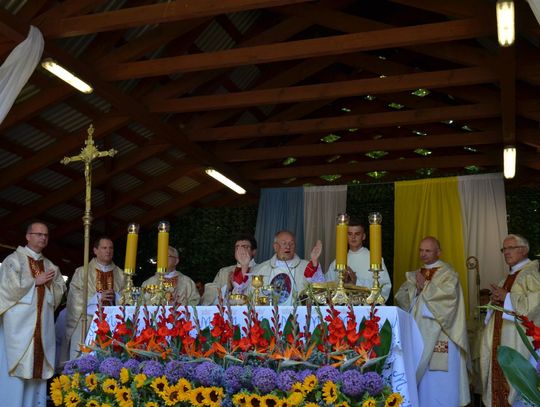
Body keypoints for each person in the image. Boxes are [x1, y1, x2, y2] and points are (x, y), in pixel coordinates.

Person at [395, 236, 470, 407]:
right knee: (423, 384)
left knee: (440, 381)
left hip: (442, 335)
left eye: (428, 250)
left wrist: (425, 287)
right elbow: (403, 300)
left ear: (439, 252)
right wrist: (414, 289)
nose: (423, 254)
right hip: (418, 333)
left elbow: (449, 301)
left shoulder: (448, 274)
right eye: (421, 250)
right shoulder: (416, 274)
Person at [0, 222, 66, 407]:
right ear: (28, 236)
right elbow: (6, 290)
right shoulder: (13, 261)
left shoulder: (50, 265)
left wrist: (51, 285)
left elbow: (60, 291)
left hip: (41, 327)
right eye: (38, 234)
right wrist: (34, 282)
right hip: (19, 329)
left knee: (36, 374)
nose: (43, 238)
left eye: (46, 235)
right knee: (16, 374)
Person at [479, 234, 540, 406]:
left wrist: (507, 297)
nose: (506, 252)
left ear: (523, 250)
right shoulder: (508, 277)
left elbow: (535, 305)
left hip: (518, 343)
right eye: (504, 249)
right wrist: (496, 300)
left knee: (516, 388)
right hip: (503, 339)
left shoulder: (531, 274)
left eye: (510, 248)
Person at [61, 236, 125, 362]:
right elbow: (74, 296)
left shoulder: (121, 274)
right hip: (88, 321)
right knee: (84, 358)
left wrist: (116, 297)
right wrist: (97, 298)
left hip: (113, 323)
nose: (108, 251)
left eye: (111, 248)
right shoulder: (82, 272)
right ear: (95, 250)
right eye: (104, 248)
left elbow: (127, 296)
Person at [252, 230, 325, 305]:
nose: (288, 247)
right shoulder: (261, 269)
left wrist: (314, 261)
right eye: (284, 243)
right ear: (275, 247)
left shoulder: (307, 267)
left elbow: (320, 291)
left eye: (291, 244)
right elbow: (252, 297)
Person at [326, 219, 392, 302]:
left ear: (363, 236)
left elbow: (385, 288)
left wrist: (356, 282)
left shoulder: (375, 260)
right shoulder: (337, 262)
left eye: (357, 234)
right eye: (349, 234)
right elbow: (327, 286)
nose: (353, 237)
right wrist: (342, 282)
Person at [201, 235, 257, 305]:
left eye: (245, 247)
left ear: (254, 252)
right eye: (237, 247)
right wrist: (227, 287)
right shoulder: (224, 272)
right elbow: (208, 298)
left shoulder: (261, 270)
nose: (240, 250)